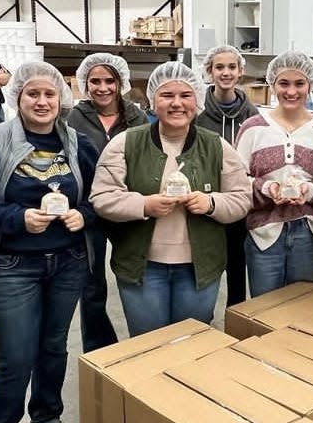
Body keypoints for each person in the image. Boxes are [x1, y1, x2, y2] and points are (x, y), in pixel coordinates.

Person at [0, 61, 98, 423]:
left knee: (54, 347)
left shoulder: (78, 143)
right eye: (32, 93)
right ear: (17, 96)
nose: (42, 101)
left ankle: (47, 417)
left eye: (49, 94)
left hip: (68, 261)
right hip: (13, 265)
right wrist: (18, 218)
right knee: (17, 354)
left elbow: (102, 196)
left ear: (61, 98)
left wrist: (84, 216)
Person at [90, 61, 251, 334]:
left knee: (190, 345)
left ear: (197, 100)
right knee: (147, 343)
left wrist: (211, 203)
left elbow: (241, 198)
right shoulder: (125, 143)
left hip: (199, 268)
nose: (177, 103)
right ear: (153, 100)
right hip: (142, 268)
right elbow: (102, 197)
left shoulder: (216, 146)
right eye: (167, 95)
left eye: (185, 95)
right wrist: (144, 204)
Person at [235, 51, 313, 297]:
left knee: (305, 308)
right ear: (272, 84)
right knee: (264, 308)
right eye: (284, 83)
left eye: (299, 83)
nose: (291, 91)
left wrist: (310, 190)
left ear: (310, 85)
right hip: (263, 234)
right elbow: (236, 182)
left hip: (310, 234)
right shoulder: (253, 129)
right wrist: (265, 188)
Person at [66, 53, 148, 351]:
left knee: (137, 272)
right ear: (85, 83)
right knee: (91, 285)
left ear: (120, 82)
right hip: (89, 208)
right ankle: (100, 349)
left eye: (109, 81)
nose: (102, 88)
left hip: (128, 204)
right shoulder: (74, 117)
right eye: (95, 81)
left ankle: (146, 339)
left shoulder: (136, 116)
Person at [196, 44, 260, 305]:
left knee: (237, 267)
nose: (225, 72)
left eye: (231, 67)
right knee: (204, 268)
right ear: (209, 71)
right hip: (205, 201)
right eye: (219, 67)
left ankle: (235, 321)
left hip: (238, 202)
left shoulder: (252, 116)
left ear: (240, 71)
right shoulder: (198, 113)